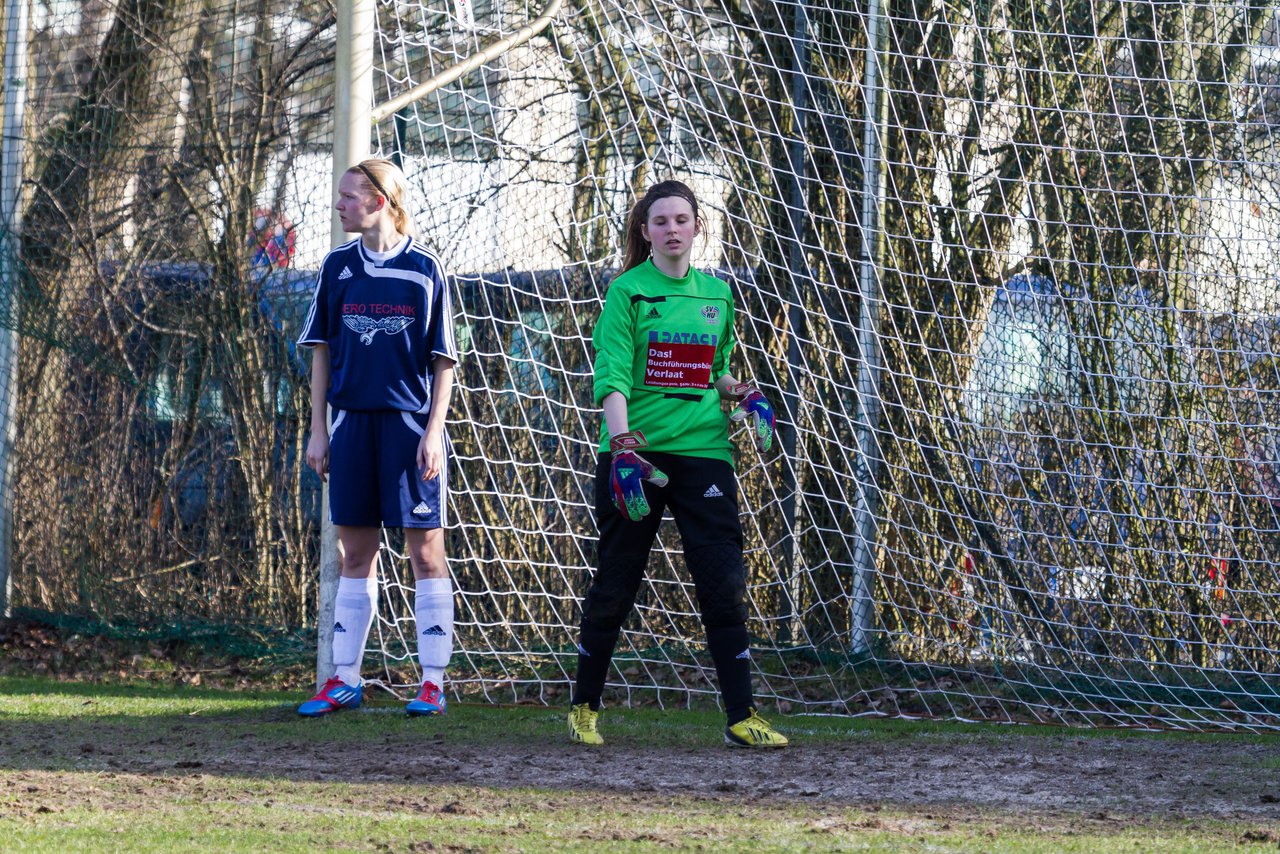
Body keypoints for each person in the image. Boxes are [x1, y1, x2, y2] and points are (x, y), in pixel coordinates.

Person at [568, 180, 788, 748]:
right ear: (645, 231)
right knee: (616, 582)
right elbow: (611, 377)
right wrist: (622, 451)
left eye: (681, 219)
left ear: (696, 227)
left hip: (705, 455)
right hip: (634, 458)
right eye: (660, 220)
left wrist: (742, 392)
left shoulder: (717, 296)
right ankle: (584, 707)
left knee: (724, 583)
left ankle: (742, 716)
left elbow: (713, 370)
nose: (671, 229)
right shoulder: (626, 292)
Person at [295, 158, 459, 717]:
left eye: (348, 196)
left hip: (409, 429)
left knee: (425, 550)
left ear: (380, 201)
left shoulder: (425, 269)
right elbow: (321, 351)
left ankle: (432, 682)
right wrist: (318, 430)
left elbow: (443, 362)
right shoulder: (336, 267)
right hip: (350, 427)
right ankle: (345, 679)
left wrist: (434, 432)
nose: (339, 205)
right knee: (354, 552)